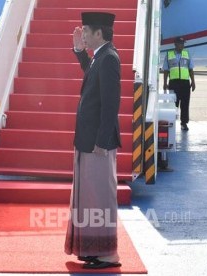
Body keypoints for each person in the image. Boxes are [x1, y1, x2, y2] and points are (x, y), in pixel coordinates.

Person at [64, 12, 122, 269]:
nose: (83, 34)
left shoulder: (109, 58)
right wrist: (79, 52)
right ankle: (93, 249)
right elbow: (91, 73)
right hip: (88, 140)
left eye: (86, 31)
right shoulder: (101, 56)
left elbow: (111, 104)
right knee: (90, 197)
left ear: (99, 32)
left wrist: (101, 139)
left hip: (97, 143)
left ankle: (108, 254)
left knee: (100, 197)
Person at [163, 36, 196, 131]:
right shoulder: (169, 54)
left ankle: (184, 123)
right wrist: (165, 83)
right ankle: (171, 122)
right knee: (173, 104)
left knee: (185, 104)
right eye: (180, 44)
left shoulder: (187, 53)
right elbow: (166, 70)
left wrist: (193, 82)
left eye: (183, 44)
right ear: (175, 44)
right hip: (173, 83)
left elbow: (191, 69)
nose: (182, 46)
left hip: (185, 83)